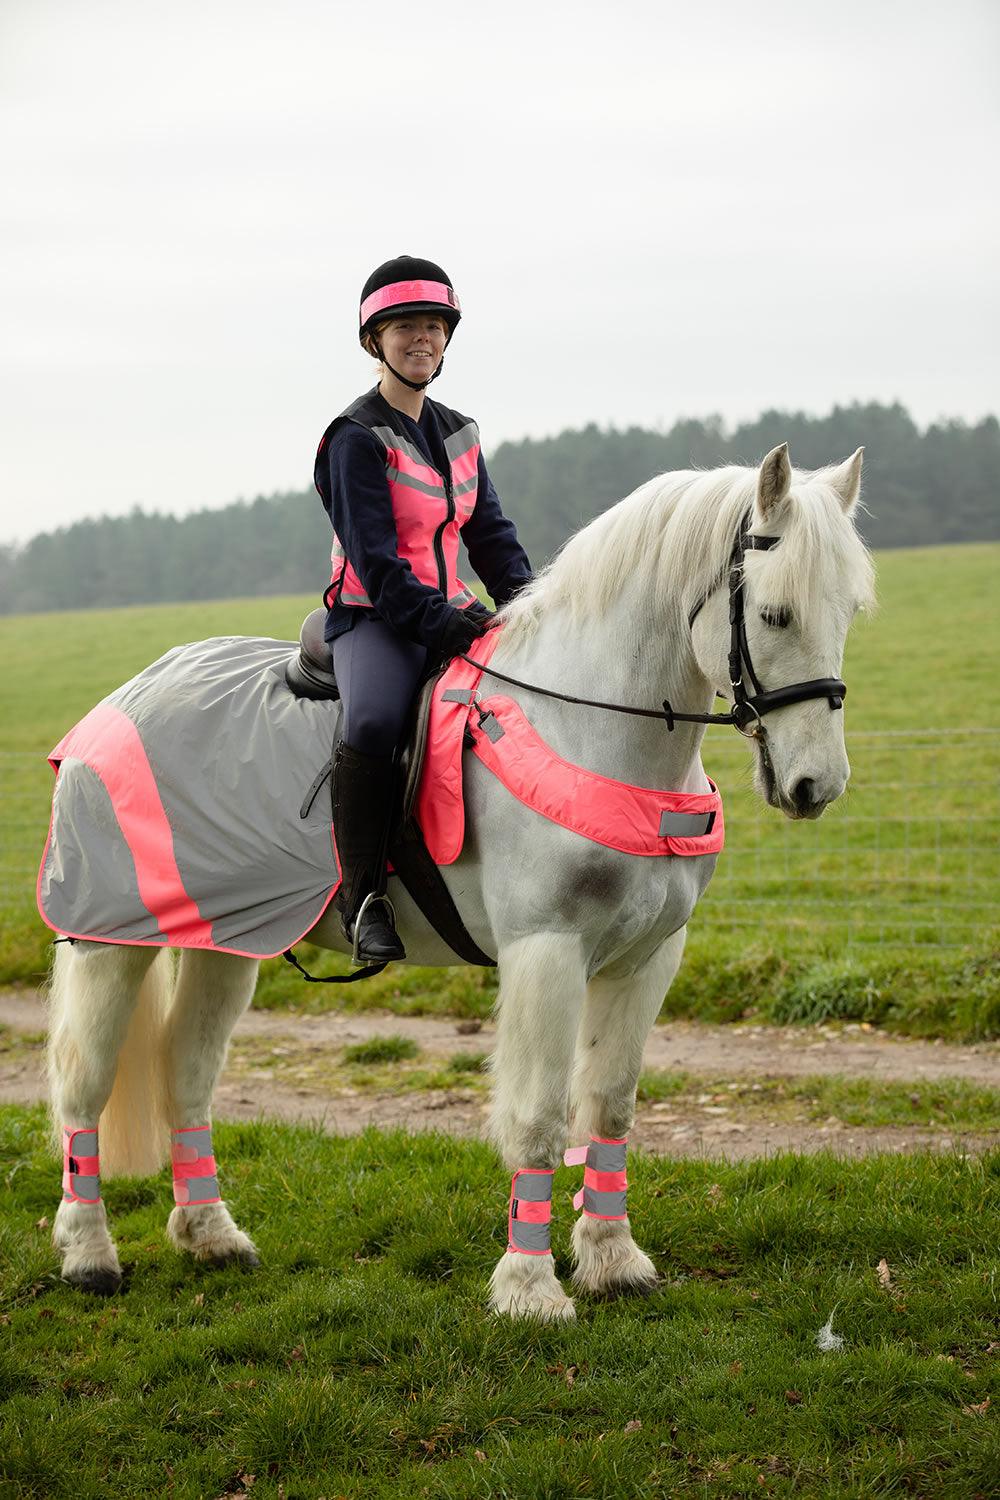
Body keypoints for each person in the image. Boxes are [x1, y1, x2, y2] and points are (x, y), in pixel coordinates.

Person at [314, 255, 532, 963]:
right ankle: (365, 898)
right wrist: (443, 621)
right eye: (405, 327)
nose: (423, 340)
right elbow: (377, 563)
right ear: (375, 341)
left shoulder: (460, 431)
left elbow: (492, 537)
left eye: (434, 327)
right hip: (374, 619)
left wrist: (529, 605)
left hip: (451, 609)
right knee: (375, 720)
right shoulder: (353, 438)